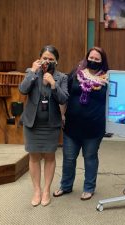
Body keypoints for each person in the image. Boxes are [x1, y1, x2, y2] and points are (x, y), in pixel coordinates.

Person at [53, 46, 109, 200]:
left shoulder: (107, 79)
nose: (93, 61)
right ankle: (65, 186)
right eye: (91, 58)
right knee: (69, 158)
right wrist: (62, 114)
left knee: (90, 157)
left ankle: (89, 188)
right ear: (87, 57)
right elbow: (65, 96)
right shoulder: (75, 74)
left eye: (97, 59)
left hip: (94, 127)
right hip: (72, 125)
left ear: (102, 61)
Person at [19, 45, 69, 207]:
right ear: (39, 58)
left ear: (57, 61)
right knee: (33, 156)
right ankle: (37, 190)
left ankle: (46, 190)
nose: (47, 61)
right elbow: (23, 90)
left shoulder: (62, 77)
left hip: (51, 125)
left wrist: (54, 85)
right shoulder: (31, 72)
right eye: (44, 58)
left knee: (49, 156)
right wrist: (33, 73)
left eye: (51, 59)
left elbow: (63, 99)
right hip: (32, 124)